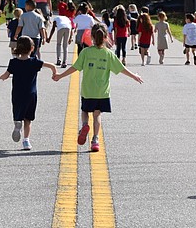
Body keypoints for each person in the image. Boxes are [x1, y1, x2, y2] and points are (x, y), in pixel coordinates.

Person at [53, 23, 143, 153]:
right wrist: (134, 76)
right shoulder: (108, 54)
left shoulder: (85, 52)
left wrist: (60, 76)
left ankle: (84, 125)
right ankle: (95, 140)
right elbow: (121, 68)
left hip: (88, 91)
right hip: (102, 92)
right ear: (106, 37)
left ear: (92, 38)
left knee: (85, 111)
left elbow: (75, 67)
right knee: (97, 115)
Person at [0, 36, 58, 151]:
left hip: (17, 94)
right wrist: (55, 73)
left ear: (17, 48)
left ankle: (17, 123)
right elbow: (52, 66)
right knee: (28, 119)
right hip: (31, 94)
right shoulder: (34, 62)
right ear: (32, 48)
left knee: (18, 112)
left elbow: (6, 75)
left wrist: (0, 77)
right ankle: (26, 141)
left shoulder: (13, 62)